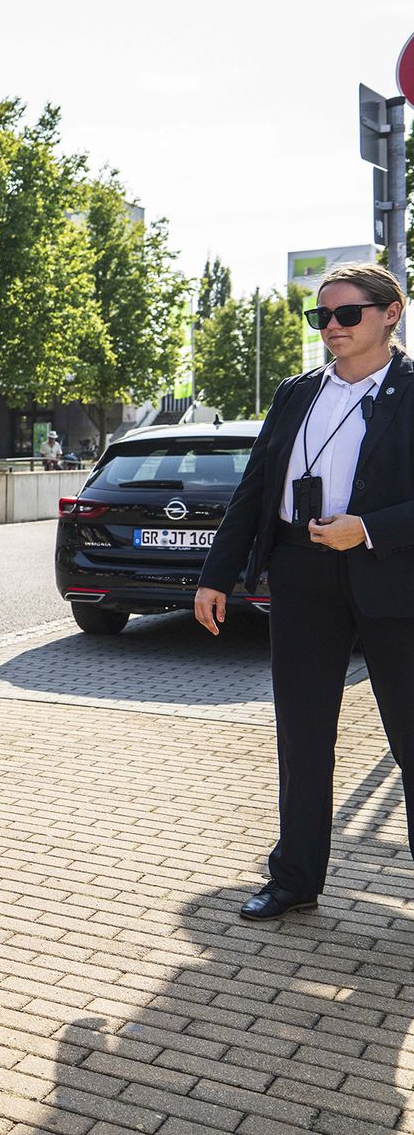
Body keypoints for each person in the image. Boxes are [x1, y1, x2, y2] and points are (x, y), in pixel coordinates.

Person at [195, 262, 414, 922]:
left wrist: (368, 529)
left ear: (391, 313)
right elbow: (257, 489)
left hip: (394, 581)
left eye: (347, 314)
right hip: (300, 577)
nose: (332, 328)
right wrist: (216, 575)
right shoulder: (296, 392)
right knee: (302, 736)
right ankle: (294, 877)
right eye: (321, 317)